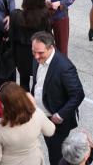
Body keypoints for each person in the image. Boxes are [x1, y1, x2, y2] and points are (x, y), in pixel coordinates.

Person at [31, 32, 85, 165]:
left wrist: (60, 114)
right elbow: (37, 83)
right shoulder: (37, 58)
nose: (36, 56)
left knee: (56, 156)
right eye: (34, 52)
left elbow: (78, 94)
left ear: (51, 48)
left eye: (40, 53)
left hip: (56, 121)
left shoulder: (64, 67)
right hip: (41, 114)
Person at [0, 81, 55, 165]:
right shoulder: (37, 113)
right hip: (34, 161)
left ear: (5, 105)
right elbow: (50, 131)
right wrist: (34, 106)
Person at [9, 0, 51, 91]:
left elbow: (12, 38)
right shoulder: (44, 15)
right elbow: (49, 35)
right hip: (38, 53)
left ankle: (26, 103)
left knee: (23, 81)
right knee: (38, 80)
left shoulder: (16, 15)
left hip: (21, 54)